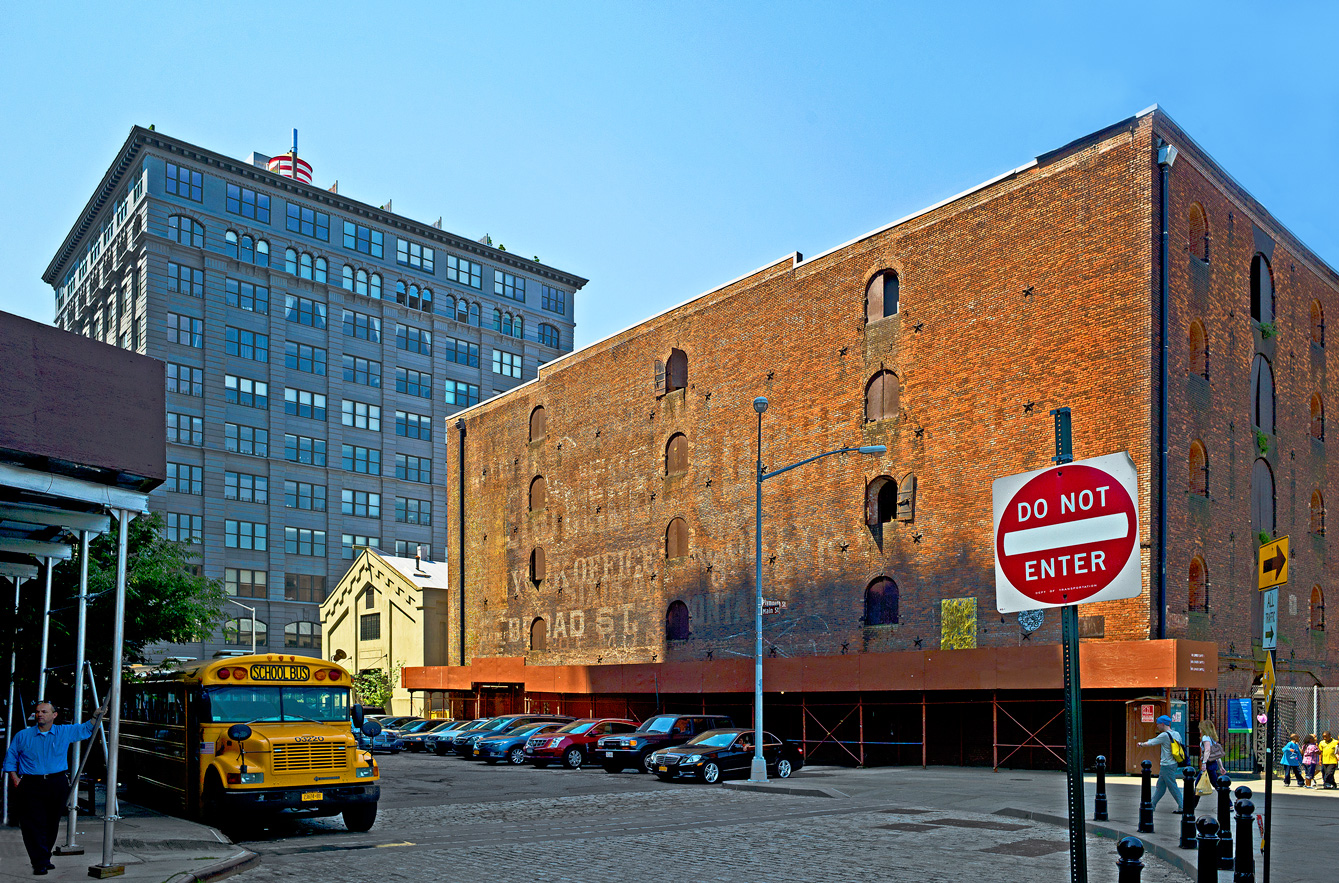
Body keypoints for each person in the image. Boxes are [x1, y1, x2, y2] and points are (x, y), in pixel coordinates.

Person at [3, 698, 108, 876]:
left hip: (56, 782)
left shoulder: (63, 732)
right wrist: (15, 778)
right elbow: (11, 757)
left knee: (51, 823)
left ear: (54, 715)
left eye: (44, 712)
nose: (39, 715)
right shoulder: (23, 735)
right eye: (37, 712)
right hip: (30, 783)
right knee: (32, 824)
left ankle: (44, 857)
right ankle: (39, 862)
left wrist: (94, 716)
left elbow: (85, 729)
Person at [1138, 714, 1183, 813]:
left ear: (1163, 724)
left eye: (1158, 724)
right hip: (1174, 763)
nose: (1157, 726)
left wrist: (1141, 744)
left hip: (1167, 764)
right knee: (1160, 786)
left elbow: (1152, 742)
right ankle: (1152, 804)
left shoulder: (1164, 735)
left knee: (1172, 786)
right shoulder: (1177, 734)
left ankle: (1182, 806)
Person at [1197, 719, 1225, 787]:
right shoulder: (1212, 739)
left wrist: (1204, 763)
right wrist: (1221, 766)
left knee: (1198, 784)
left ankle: (1224, 796)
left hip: (1208, 763)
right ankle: (1224, 795)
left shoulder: (1205, 738)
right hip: (1213, 763)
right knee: (1215, 783)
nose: (1199, 729)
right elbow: (1216, 754)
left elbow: (1207, 750)